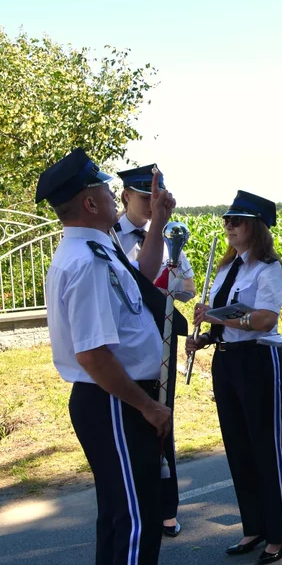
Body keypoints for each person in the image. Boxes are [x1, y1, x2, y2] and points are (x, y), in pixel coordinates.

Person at [37, 149, 204, 565]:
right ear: (90, 202)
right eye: (107, 191)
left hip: (120, 398)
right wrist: (147, 408)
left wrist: (157, 223)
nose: (115, 197)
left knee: (129, 518)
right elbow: (92, 354)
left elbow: (143, 280)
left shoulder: (100, 247)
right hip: (114, 400)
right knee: (132, 522)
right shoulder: (84, 261)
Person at [185, 191, 282, 565]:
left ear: (256, 227)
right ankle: (254, 526)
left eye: (237, 221)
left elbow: (263, 319)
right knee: (238, 446)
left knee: (265, 446)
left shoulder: (269, 269)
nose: (229, 227)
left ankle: (280, 534)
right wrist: (204, 336)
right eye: (226, 221)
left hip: (259, 360)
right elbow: (223, 320)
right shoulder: (224, 269)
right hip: (227, 360)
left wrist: (216, 319)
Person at [114, 164, 194, 539]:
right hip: (122, 345)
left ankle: (166, 507)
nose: (151, 203)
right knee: (127, 426)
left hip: (161, 339)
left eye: (157, 197)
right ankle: (133, 504)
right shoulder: (109, 236)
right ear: (126, 195)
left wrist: (173, 278)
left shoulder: (168, 235)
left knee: (163, 420)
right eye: (145, 196)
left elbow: (188, 287)